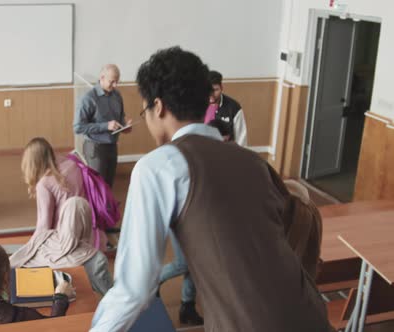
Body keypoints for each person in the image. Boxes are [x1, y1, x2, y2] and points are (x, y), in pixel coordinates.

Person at [90, 46, 331, 332]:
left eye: (145, 111)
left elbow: (134, 290)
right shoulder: (254, 162)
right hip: (312, 315)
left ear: (158, 106)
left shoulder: (159, 166)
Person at [10, 197, 114, 296]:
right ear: (86, 220)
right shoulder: (96, 259)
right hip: (69, 307)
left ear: (63, 216)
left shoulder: (44, 236)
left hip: (24, 294)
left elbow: (17, 259)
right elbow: (110, 294)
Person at [21, 137, 108, 250]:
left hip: (66, 241)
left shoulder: (44, 184)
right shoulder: (73, 165)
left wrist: (29, 248)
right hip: (91, 233)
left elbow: (44, 226)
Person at [73, 64, 132, 188]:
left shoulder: (117, 95)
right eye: (112, 81)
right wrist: (105, 126)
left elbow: (120, 117)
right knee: (97, 188)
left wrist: (125, 127)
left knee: (108, 186)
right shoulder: (88, 98)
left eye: (117, 81)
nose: (115, 85)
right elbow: (78, 127)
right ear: (102, 78)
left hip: (112, 147)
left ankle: (106, 208)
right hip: (95, 148)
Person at [208, 70, 248, 146]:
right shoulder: (197, 106)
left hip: (227, 153)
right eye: (208, 91)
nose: (212, 95)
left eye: (216, 90)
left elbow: (241, 138)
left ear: (222, 87)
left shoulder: (234, 107)